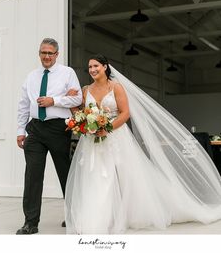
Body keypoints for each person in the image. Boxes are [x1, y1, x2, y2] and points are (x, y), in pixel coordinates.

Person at [65, 54, 221, 234]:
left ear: (105, 67)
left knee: (128, 176)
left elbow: (125, 114)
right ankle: (98, 218)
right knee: (97, 177)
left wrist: (106, 128)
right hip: (93, 141)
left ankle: (132, 213)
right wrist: (73, 107)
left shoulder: (116, 87)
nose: (92, 70)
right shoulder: (85, 90)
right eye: (90, 67)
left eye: (96, 66)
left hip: (116, 137)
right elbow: (82, 114)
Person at [16, 38, 82, 234]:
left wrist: (54, 100)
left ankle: (73, 217)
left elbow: (77, 97)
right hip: (35, 129)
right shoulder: (31, 76)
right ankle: (30, 222)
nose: (46, 56)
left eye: (50, 53)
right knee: (32, 176)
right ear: (39, 54)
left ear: (57, 54)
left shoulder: (67, 73)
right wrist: (21, 130)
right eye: (43, 53)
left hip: (58, 129)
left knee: (66, 174)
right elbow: (23, 105)